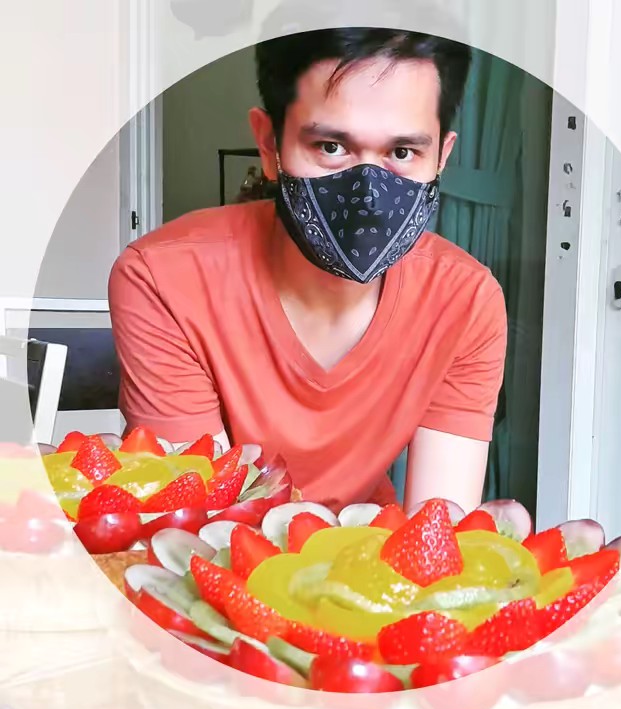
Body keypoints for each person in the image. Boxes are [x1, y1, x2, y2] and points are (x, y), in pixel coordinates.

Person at [108, 28, 508, 514]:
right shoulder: (164, 278)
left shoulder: (465, 301)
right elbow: (200, 525)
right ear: (269, 144)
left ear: (442, 156)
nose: (367, 193)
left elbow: (437, 529)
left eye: (402, 153)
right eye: (331, 147)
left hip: (364, 550)